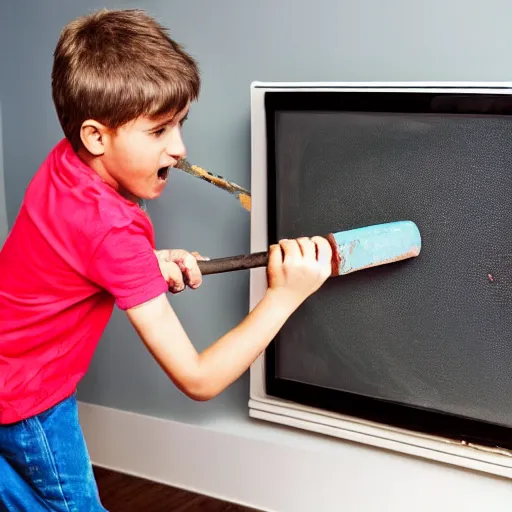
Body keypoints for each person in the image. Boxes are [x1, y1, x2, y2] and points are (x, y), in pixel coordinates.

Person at [0, 8, 332, 511]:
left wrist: (143, 263)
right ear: (96, 136)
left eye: (179, 124)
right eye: (158, 131)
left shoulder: (67, 163)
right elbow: (199, 379)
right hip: (26, 398)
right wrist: (283, 297)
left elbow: (72, 249)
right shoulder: (114, 231)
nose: (179, 148)